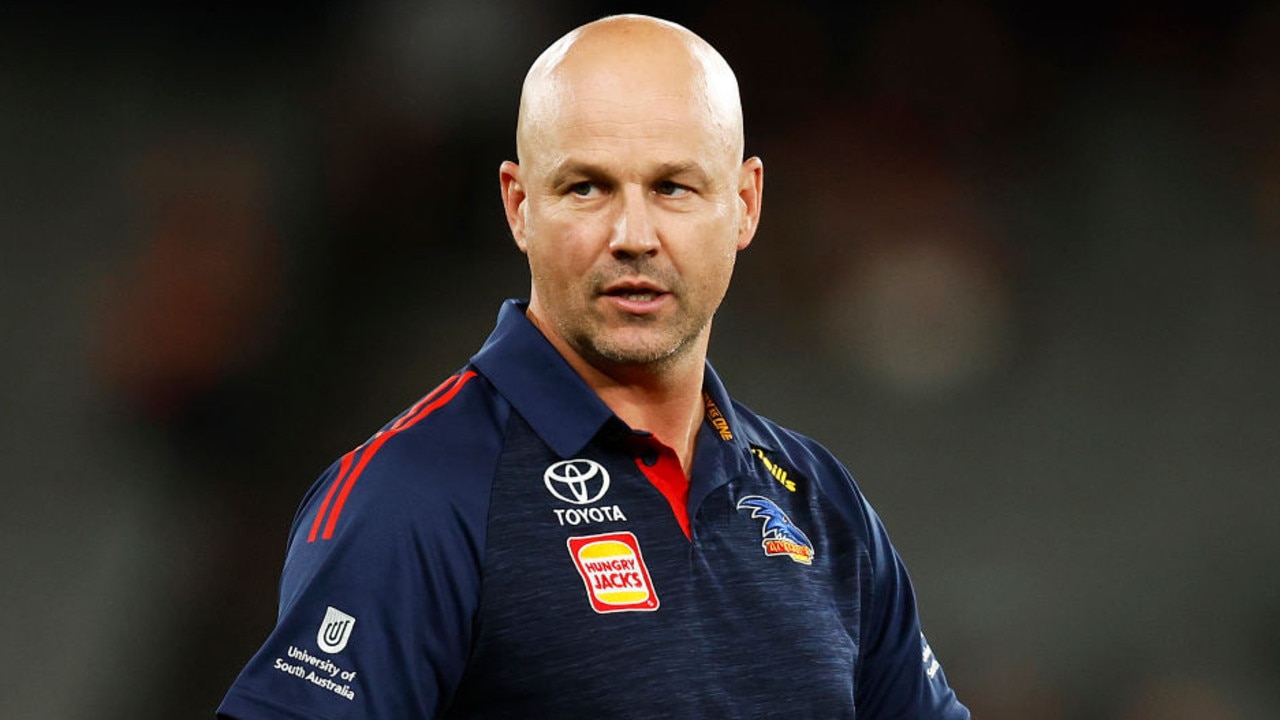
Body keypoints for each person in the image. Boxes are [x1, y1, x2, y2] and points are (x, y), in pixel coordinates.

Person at [217, 14, 969, 719]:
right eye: (587, 188)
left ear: (744, 204)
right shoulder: (415, 495)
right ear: (518, 206)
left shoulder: (823, 505)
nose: (633, 235)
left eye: (673, 187)